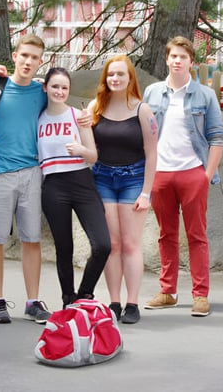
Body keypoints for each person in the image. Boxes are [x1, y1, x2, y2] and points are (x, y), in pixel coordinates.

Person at [142, 36, 223, 317]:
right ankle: (168, 292)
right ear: (167, 59)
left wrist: (206, 175)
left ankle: (200, 295)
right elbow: (142, 133)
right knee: (166, 234)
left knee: (196, 235)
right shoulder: (152, 92)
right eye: (173, 56)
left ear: (192, 62)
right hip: (160, 174)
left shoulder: (205, 95)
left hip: (193, 173)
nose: (177, 61)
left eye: (183, 57)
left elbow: (217, 137)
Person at [0, 34, 52, 324]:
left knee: (31, 238)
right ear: (14, 56)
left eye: (34, 58)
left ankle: (33, 301)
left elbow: (61, 110)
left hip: (32, 172)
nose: (28, 61)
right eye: (24, 55)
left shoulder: (42, 92)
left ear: (40, 62)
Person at [88, 54, 157, 324]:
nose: (115, 78)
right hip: (103, 178)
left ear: (130, 78)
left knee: (130, 243)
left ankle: (132, 303)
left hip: (133, 180)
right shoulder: (95, 107)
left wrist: (146, 192)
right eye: (111, 74)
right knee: (112, 244)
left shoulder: (142, 110)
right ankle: (114, 302)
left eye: (120, 74)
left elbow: (152, 153)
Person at [37, 67, 111, 309]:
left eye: (64, 87)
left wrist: (81, 150)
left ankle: (84, 294)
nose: (59, 91)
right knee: (64, 248)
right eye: (55, 86)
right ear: (45, 87)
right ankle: (68, 300)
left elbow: (93, 156)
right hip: (53, 186)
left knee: (102, 244)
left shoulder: (78, 116)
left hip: (81, 183)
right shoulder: (38, 118)